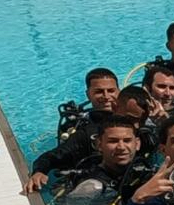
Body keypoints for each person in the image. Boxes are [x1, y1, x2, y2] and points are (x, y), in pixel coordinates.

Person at [24, 85, 154, 194]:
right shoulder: (88, 134)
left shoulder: (146, 134)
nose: (136, 126)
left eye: (142, 121)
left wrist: (162, 122)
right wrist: (39, 171)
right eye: (131, 119)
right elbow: (53, 156)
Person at [64, 115, 143, 198]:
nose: (121, 147)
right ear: (99, 145)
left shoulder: (141, 170)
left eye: (127, 141)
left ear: (137, 144)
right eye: (113, 141)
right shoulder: (91, 188)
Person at [55, 67, 120, 143]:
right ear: (88, 95)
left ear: (119, 92)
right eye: (99, 92)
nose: (106, 96)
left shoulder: (132, 116)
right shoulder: (77, 125)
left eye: (111, 91)